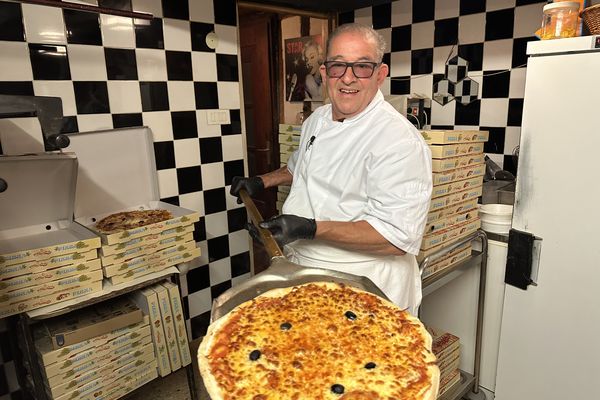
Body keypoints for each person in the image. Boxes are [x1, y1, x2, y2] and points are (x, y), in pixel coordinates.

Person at [230, 23, 432, 315]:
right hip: (307, 273)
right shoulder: (318, 119)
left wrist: (309, 228)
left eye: (362, 66)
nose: (348, 78)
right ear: (324, 72)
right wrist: (260, 182)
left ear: (380, 74)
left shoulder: (398, 141)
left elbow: (395, 238)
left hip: (368, 290)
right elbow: (303, 165)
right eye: (338, 66)